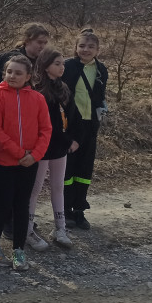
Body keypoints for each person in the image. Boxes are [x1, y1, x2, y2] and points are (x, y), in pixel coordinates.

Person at [0, 55, 51, 272]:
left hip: (29, 163)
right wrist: (20, 153)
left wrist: (35, 155)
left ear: (28, 77)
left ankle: (19, 250)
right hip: (2, 162)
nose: (12, 76)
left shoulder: (38, 99)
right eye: (9, 72)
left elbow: (46, 130)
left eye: (18, 73)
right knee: (3, 204)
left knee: (22, 205)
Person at [25, 48, 82, 251]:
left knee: (58, 187)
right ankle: (28, 230)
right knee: (35, 189)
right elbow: (48, 123)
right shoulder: (37, 90)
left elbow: (73, 116)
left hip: (60, 148)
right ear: (46, 64)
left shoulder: (63, 88)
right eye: (57, 63)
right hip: (42, 147)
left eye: (62, 63)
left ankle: (60, 228)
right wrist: (68, 141)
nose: (62, 67)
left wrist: (74, 138)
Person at [61, 28, 108, 230]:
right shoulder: (67, 66)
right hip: (71, 125)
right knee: (68, 168)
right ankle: (64, 210)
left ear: (97, 49)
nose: (85, 50)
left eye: (90, 46)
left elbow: (100, 95)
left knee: (84, 168)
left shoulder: (101, 70)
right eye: (81, 46)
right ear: (75, 48)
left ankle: (79, 209)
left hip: (90, 125)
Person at [0, 23, 50, 100]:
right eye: (39, 42)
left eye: (45, 43)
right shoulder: (15, 59)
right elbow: (10, 87)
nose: (43, 46)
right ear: (27, 41)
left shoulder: (38, 60)